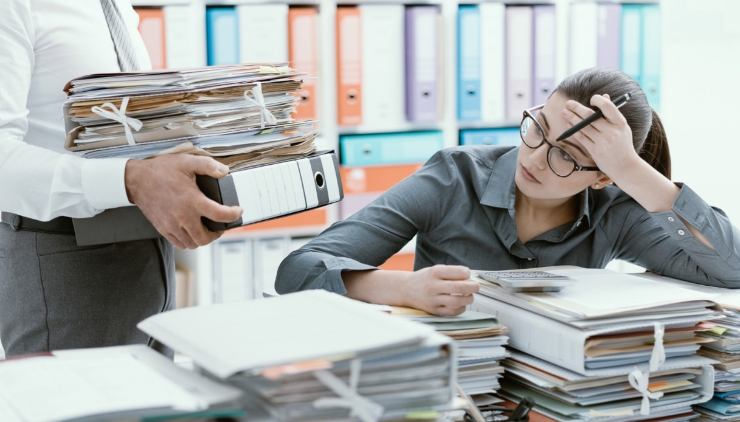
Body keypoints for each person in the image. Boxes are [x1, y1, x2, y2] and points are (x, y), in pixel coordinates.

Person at [275, 68, 740, 316]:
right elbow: (297, 271)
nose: (535, 158)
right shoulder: (453, 176)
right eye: (537, 127)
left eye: (566, 155)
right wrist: (403, 288)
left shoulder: (615, 207)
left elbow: (730, 271)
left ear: (602, 177)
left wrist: (632, 172)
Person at [0, 0, 241, 356]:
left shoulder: (112, 7)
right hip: (64, 258)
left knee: (152, 406)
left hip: (145, 252)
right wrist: (133, 179)